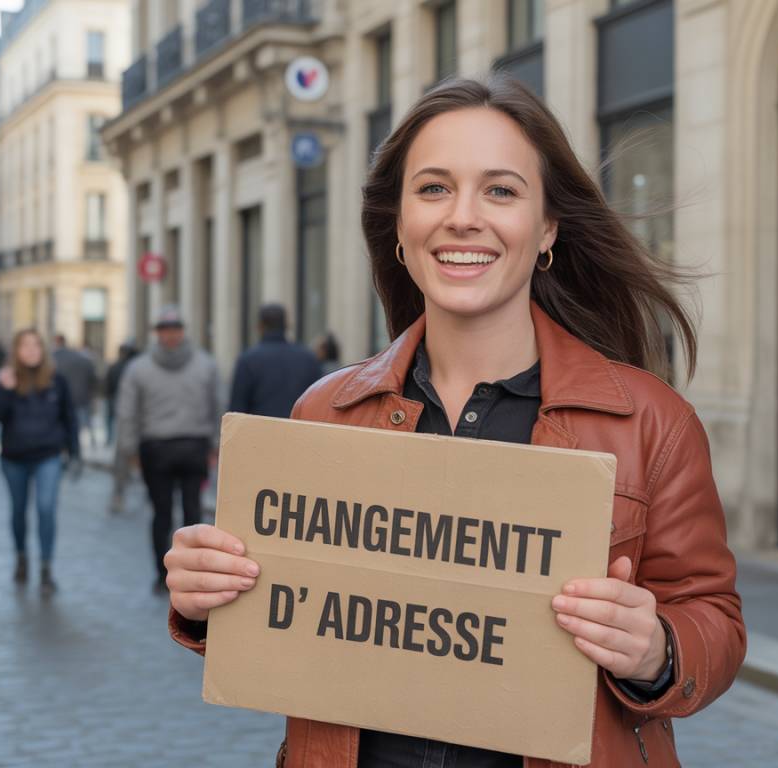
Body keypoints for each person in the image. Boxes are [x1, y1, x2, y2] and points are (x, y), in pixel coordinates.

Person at [164, 75, 745, 767]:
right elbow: (288, 612)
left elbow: (713, 618)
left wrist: (656, 649)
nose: (462, 216)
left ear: (548, 228)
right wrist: (208, 598)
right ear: (400, 229)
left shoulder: (652, 421)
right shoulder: (324, 412)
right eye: (434, 188)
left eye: (500, 190)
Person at [116, 305, 222, 593]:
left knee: (161, 513)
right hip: (193, 446)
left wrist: (130, 451)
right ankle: (190, 573)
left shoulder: (138, 368)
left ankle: (162, 576)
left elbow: (127, 413)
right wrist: (216, 444)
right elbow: (219, 407)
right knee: (191, 513)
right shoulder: (205, 363)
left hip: (157, 448)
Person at [0, 329, 80, 595]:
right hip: (14, 458)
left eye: (35, 345)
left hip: (48, 456)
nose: (30, 350)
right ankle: (21, 556)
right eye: (24, 345)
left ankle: (46, 567)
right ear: (16, 351)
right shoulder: (5, 378)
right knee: (18, 510)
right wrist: (4, 390)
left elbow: (69, 417)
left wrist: (75, 452)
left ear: (43, 349)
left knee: (46, 508)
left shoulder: (56, 380)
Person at [228, 304, 323, 418]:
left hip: (261, 432)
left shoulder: (247, 360)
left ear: (260, 326)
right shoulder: (309, 359)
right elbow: (319, 403)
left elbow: (237, 411)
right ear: (287, 325)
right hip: (300, 432)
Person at [106, 340, 139, 515]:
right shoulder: (140, 368)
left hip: (122, 415)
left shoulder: (116, 367)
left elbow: (109, 387)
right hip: (140, 421)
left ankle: (118, 496)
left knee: (121, 461)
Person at [53, 334, 98, 449]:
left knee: (71, 425)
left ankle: (71, 448)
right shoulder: (81, 359)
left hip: (64, 398)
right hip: (82, 396)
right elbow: (92, 378)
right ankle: (85, 445)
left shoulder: (53, 358)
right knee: (83, 423)